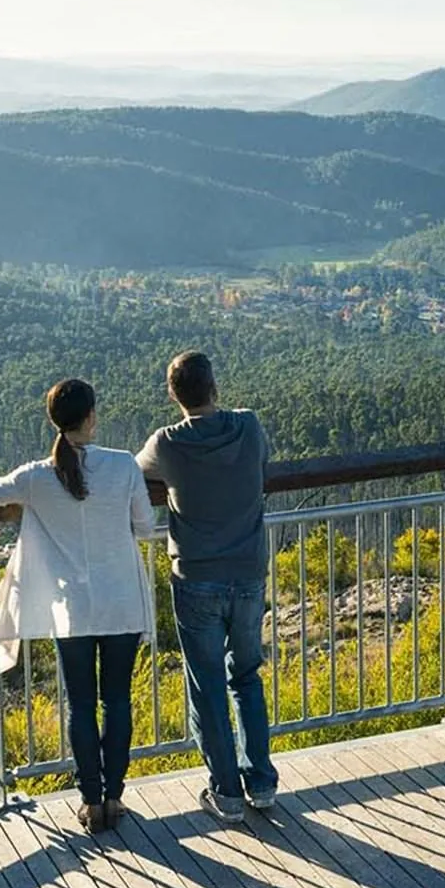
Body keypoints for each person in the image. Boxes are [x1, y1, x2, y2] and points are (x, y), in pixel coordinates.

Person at [0, 378, 155, 834]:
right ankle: (115, 796)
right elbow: (146, 524)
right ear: (92, 416)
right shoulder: (122, 466)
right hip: (121, 601)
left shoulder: (36, 477)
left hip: (70, 610)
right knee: (117, 699)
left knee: (81, 703)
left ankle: (91, 801)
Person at [137, 350, 277, 824]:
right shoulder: (249, 427)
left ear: (173, 395)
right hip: (248, 573)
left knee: (208, 685)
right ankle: (261, 782)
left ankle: (226, 792)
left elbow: (134, 473)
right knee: (247, 677)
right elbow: (262, 464)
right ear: (215, 387)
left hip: (197, 577)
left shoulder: (168, 444)